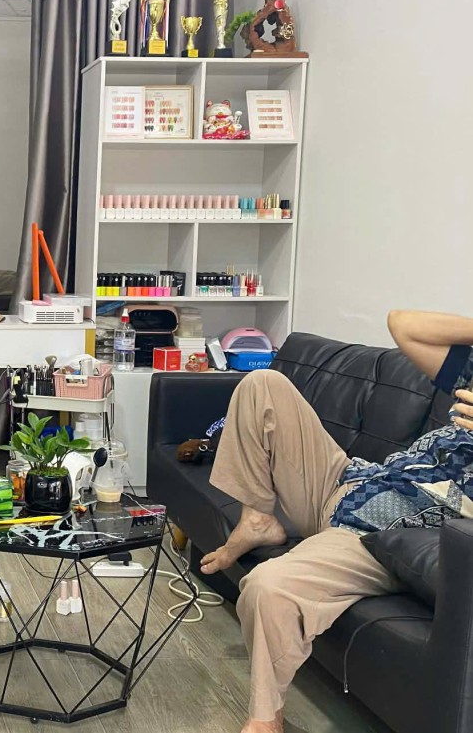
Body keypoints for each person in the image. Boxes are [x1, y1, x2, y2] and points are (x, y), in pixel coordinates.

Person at [198, 309, 473, 733]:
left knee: (267, 587)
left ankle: (265, 718)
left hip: (377, 532)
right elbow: (403, 324)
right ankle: (257, 520)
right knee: (261, 384)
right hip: (349, 480)